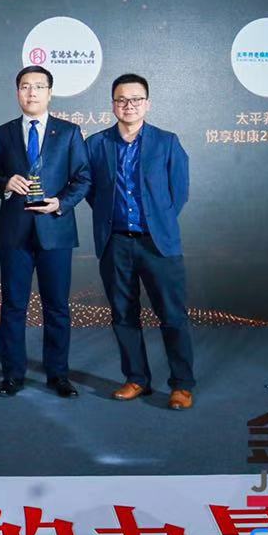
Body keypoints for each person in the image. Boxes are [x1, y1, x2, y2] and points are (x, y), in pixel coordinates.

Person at [83, 73, 196, 410]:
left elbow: (179, 192)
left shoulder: (167, 142)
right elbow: (90, 191)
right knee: (123, 314)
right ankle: (136, 379)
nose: (128, 105)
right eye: (121, 99)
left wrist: (158, 221)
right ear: (113, 104)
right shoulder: (96, 144)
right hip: (115, 242)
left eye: (135, 99)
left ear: (147, 104)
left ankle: (182, 385)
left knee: (172, 315)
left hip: (158, 244)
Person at [0, 65, 90, 398]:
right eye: (24, 86)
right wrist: (5, 183)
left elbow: (83, 178)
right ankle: (12, 375)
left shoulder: (69, 132)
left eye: (38, 86)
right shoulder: (3, 133)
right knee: (13, 306)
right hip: (15, 232)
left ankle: (58, 375)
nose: (31, 92)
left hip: (55, 230)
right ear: (17, 92)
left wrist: (60, 203)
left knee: (57, 306)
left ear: (50, 92)